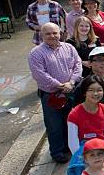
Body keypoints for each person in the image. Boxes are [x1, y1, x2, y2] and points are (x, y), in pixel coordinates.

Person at [28, 23, 82, 163]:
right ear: (42, 35)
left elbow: (78, 64)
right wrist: (59, 85)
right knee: (54, 125)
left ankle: (69, 147)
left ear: (60, 33)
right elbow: (40, 74)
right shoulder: (36, 53)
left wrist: (71, 82)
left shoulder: (69, 47)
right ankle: (57, 152)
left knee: (70, 122)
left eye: (55, 33)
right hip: (51, 95)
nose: (52, 36)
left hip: (71, 91)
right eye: (48, 34)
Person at [67, 75, 104, 154]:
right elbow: (73, 142)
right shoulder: (74, 114)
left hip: (103, 152)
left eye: (99, 90)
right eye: (91, 90)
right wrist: (81, 159)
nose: (95, 93)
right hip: (84, 154)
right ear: (84, 92)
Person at [73, 47, 104, 111]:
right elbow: (77, 107)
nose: (103, 63)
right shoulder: (84, 84)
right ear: (90, 63)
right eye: (99, 60)